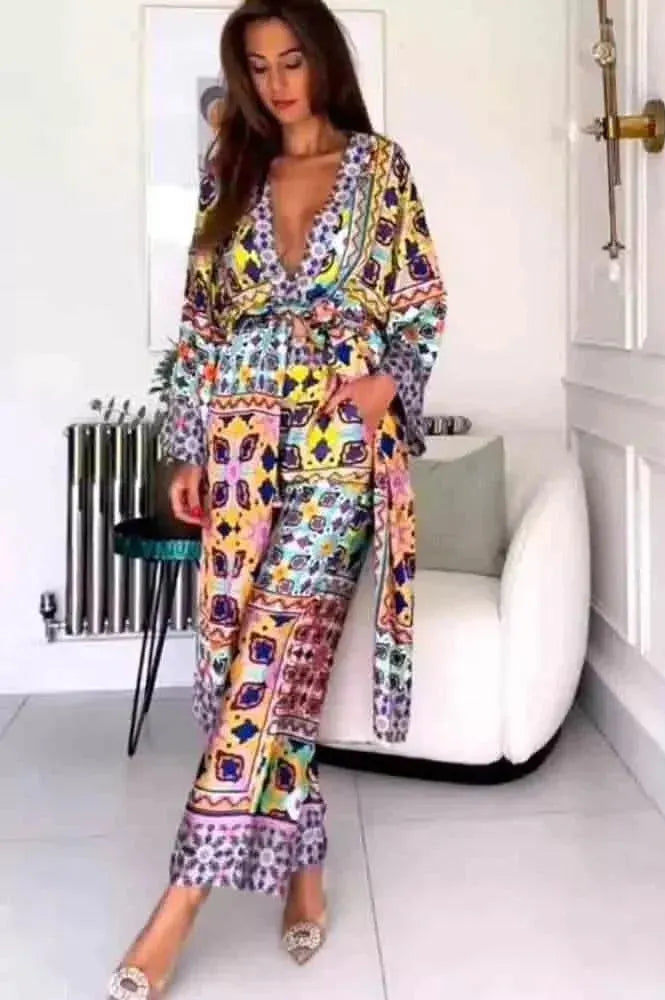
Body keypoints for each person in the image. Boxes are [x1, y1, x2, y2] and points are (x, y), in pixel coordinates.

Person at [108, 0, 446, 995]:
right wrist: (186, 446)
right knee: (241, 659)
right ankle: (304, 871)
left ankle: (179, 904)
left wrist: (387, 384)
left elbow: (422, 303)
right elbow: (200, 320)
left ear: (324, 62)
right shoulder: (233, 173)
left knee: (273, 645)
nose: (277, 83)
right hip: (241, 438)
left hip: (340, 438)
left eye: (292, 60)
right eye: (257, 67)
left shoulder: (380, 171)